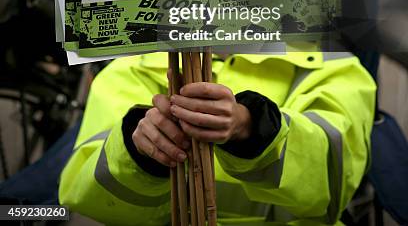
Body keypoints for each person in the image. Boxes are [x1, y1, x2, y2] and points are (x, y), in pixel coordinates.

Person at [59, 49, 376, 225]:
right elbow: (85, 197)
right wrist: (140, 151)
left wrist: (253, 128)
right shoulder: (128, 67)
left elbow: (333, 184)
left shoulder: (336, 68)